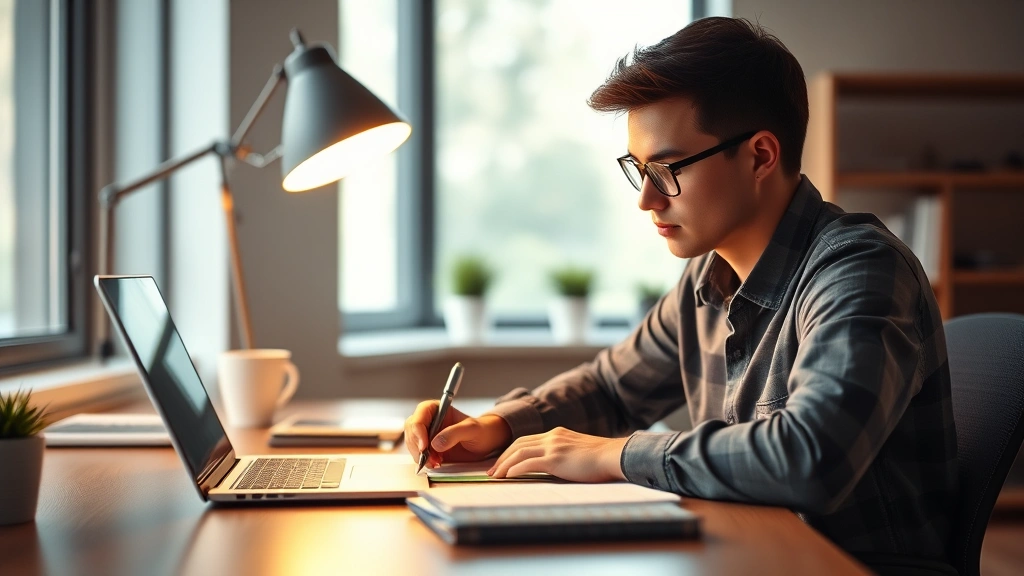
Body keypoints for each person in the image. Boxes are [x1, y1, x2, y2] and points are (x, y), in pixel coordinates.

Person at [404, 16, 958, 568]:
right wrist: (496, 427)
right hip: (746, 553)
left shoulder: (858, 270)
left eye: (667, 169)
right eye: (637, 169)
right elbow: (613, 390)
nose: (646, 199)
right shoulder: (708, 275)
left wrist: (616, 455)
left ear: (761, 155)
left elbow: (810, 459)